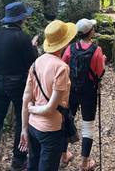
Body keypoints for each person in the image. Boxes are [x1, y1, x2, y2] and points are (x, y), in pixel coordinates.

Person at [0, 1, 38, 171]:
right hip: (18, 83)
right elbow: (32, 61)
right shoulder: (23, 37)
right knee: (22, 118)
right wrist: (33, 47)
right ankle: (18, 159)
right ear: (21, 19)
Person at [19, 19, 77, 171]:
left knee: (32, 166)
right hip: (51, 129)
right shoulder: (62, 67)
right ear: (64, 43)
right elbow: (51, 108)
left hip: (32, 127)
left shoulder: (36, 63)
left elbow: (26, 98)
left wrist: (24, 129)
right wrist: (33, 109)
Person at [62, 18, 106, 171]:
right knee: (88, 126)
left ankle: (64, 155)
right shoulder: (97, 50)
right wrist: (103, 61)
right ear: (91, 32)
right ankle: (84, 163)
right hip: (89, 92)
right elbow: (99, 72)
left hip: (71, 91)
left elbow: (64, 66)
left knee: (67, 120)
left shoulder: (70, 48)